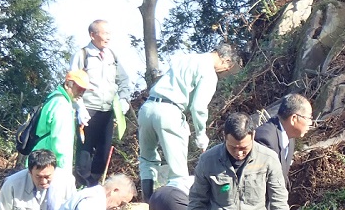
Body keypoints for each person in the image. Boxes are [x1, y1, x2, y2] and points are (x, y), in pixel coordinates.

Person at [137, 42, 240, 199]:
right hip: (169, 111)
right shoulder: (209, 73)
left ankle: (148, 203)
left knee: (147, 159)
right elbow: (198, 107)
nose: (224, 71)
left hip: (148, 107)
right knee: (178, 171)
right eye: (227, 68)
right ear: (225, 60)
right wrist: (201, 134)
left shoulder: (186, 58)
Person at [69, 20, 132, 187]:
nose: (108, 37)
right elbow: (72, 83)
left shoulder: (112, 55)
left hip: (107, 110)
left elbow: (124, 79)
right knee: (85, 151)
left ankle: (94, 183)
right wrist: (79, 106)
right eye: (104, 33)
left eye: (109, 34)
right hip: (88, 109)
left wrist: (124, 99)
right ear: (92, 35)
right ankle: (82, 185)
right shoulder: (82, 55)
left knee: (104, 151)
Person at [32, 69, 94, 170]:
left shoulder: (53, 98)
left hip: (38, 164)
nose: (82, 93)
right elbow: (60, 142)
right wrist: (63, 171)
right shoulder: (62, 105)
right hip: (48, 168)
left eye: (84, 90)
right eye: (79, 88)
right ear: (67, 85)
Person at [254, 93, 313, 187]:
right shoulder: (264, 139)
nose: (310, 123)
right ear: (294, 118)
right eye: (308, 118)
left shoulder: (289, 136)